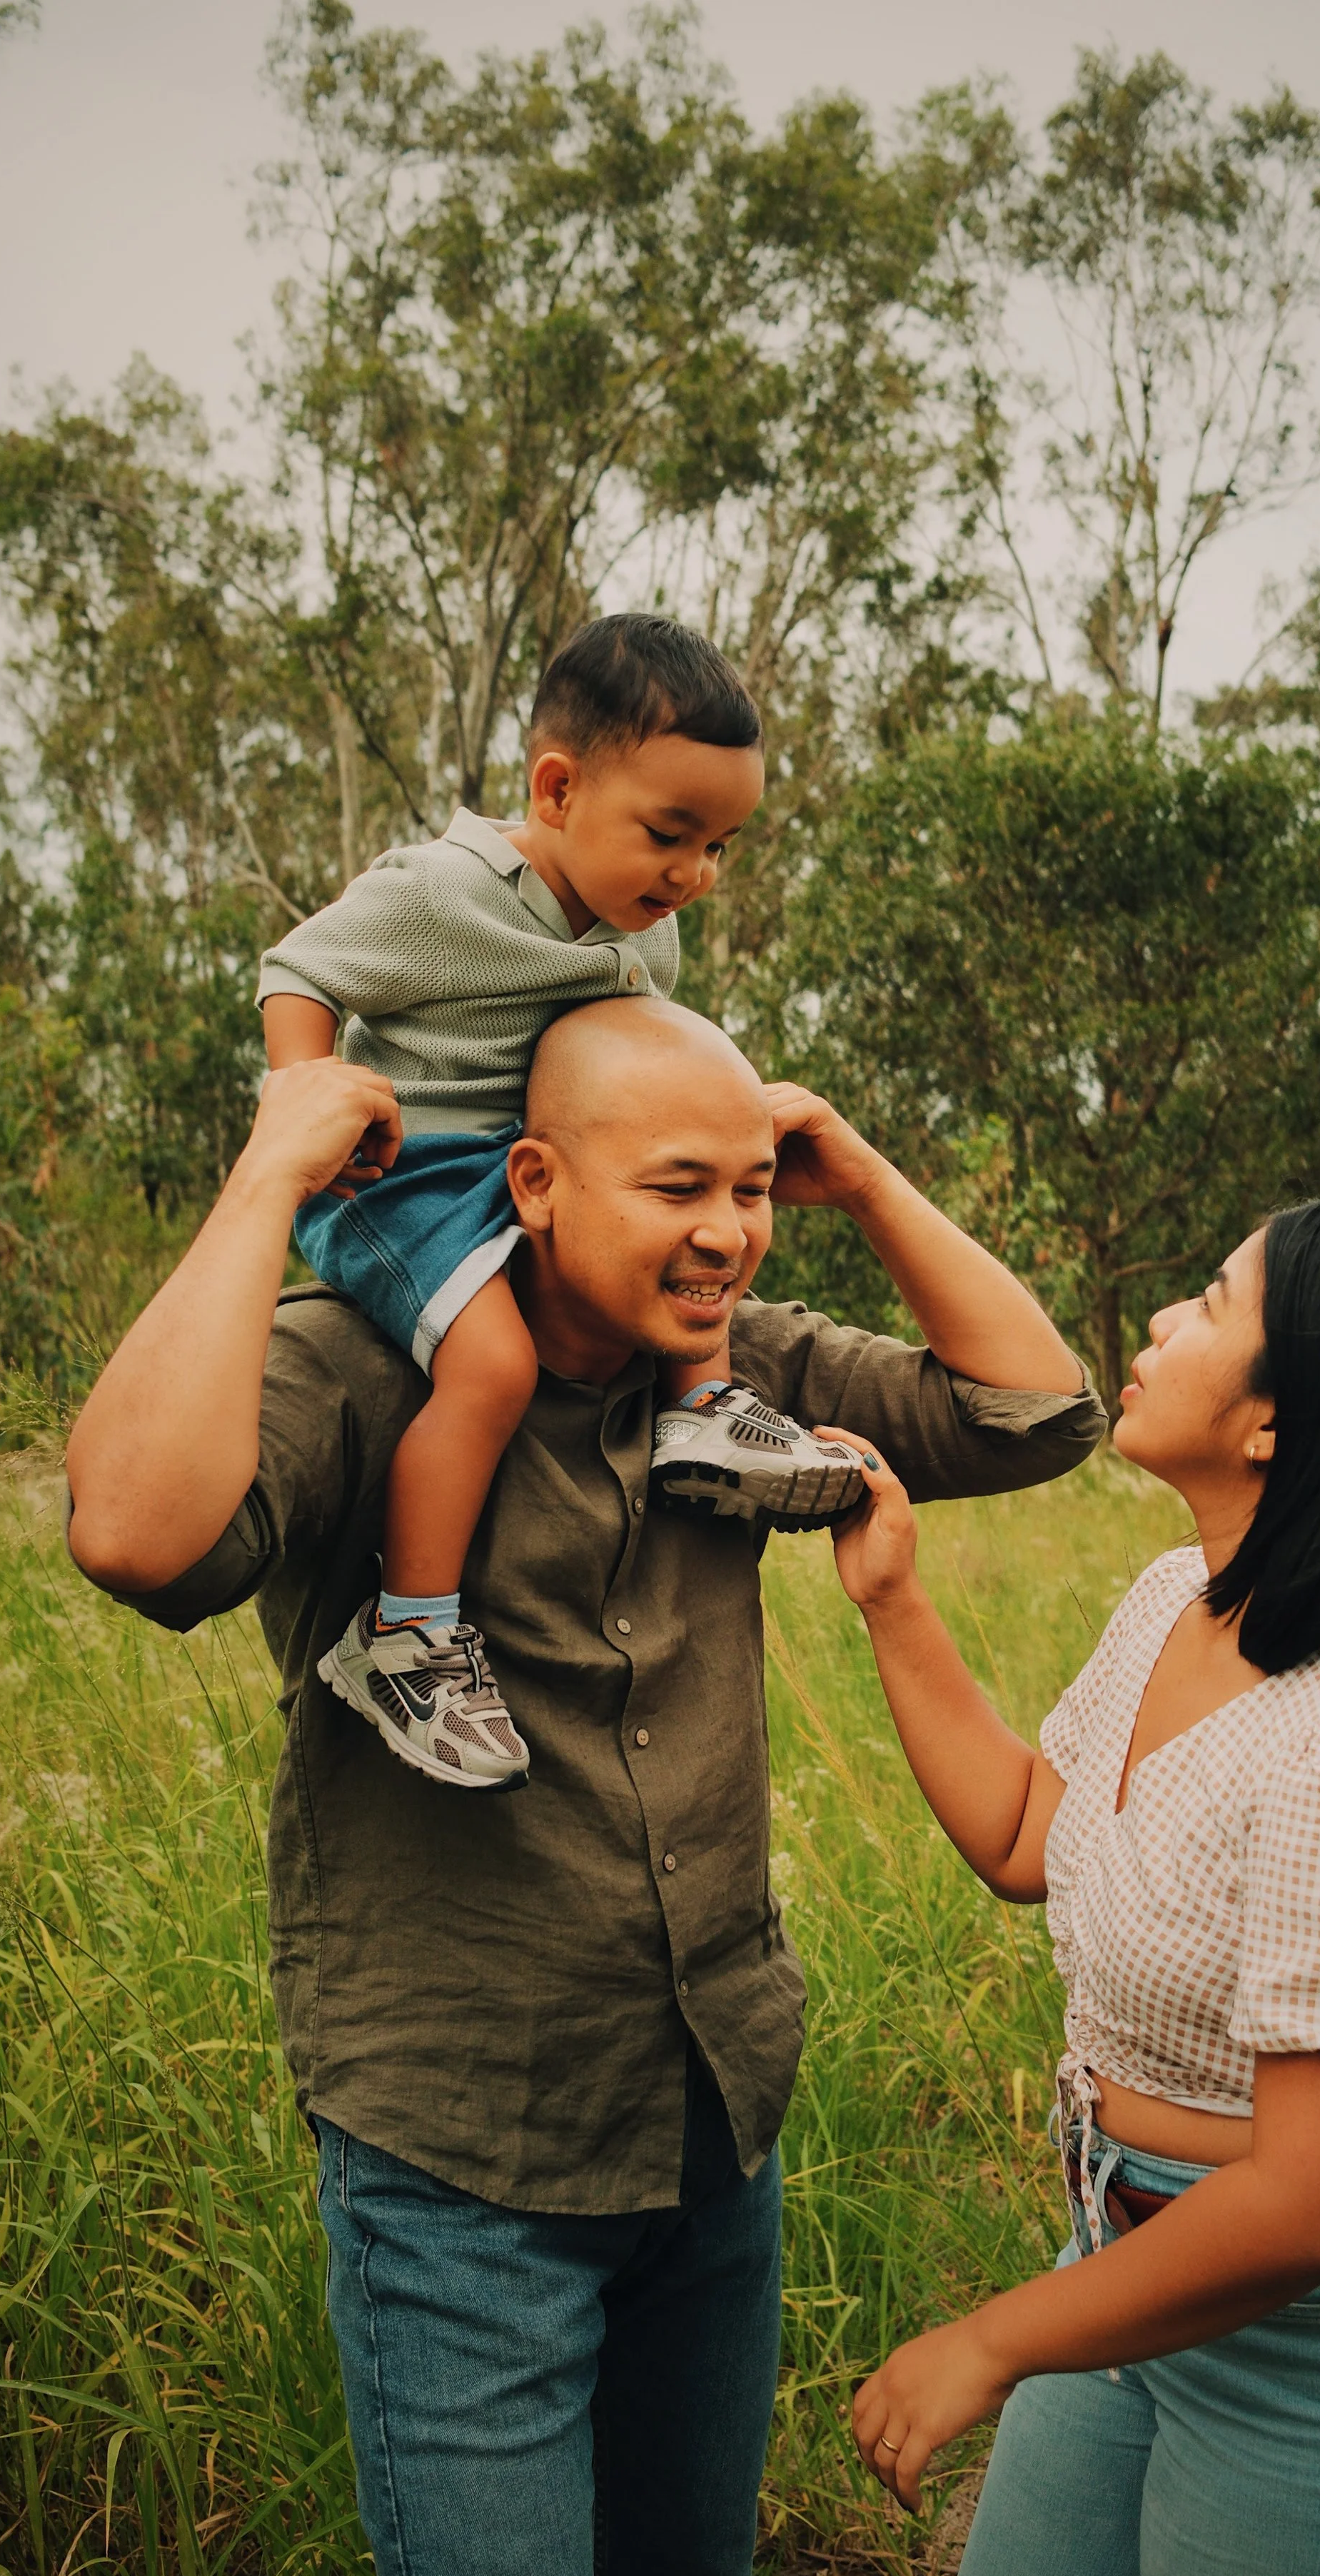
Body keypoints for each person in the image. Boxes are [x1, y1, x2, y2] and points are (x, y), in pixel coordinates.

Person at [64, 996, 1104, 2576]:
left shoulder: (736, 1372)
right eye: (679, 1186)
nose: (728, 1231)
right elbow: (132, 1537)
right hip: (464, 2157)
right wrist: (269, 1177)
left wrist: (858, 1175)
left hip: (709, 2117)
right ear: (534, 1182)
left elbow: (1036, 1414)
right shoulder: (366, 1367)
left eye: (751, 1189)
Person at [822, 1188, 1320, 2576]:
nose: (1159, 1322)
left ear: (1278, 1425)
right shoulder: (1180, 1600)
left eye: (1211, 1305)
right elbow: (1032, 1835)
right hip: (1131, 2268)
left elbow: (1312, 2200)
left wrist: (993, 2339)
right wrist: (892, 1600)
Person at [258, 613, 866, 1789]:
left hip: (528, 1175)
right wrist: (308, 1108)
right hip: (406, 1177)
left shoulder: (651, 936)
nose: (693, 875)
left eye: (722, 846)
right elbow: (300, 970)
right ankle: (407, 1632)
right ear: (555, 787)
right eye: (670, 835)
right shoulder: (441, 894)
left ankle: (703, 1410)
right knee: (493, 1368)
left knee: (674, 1257)